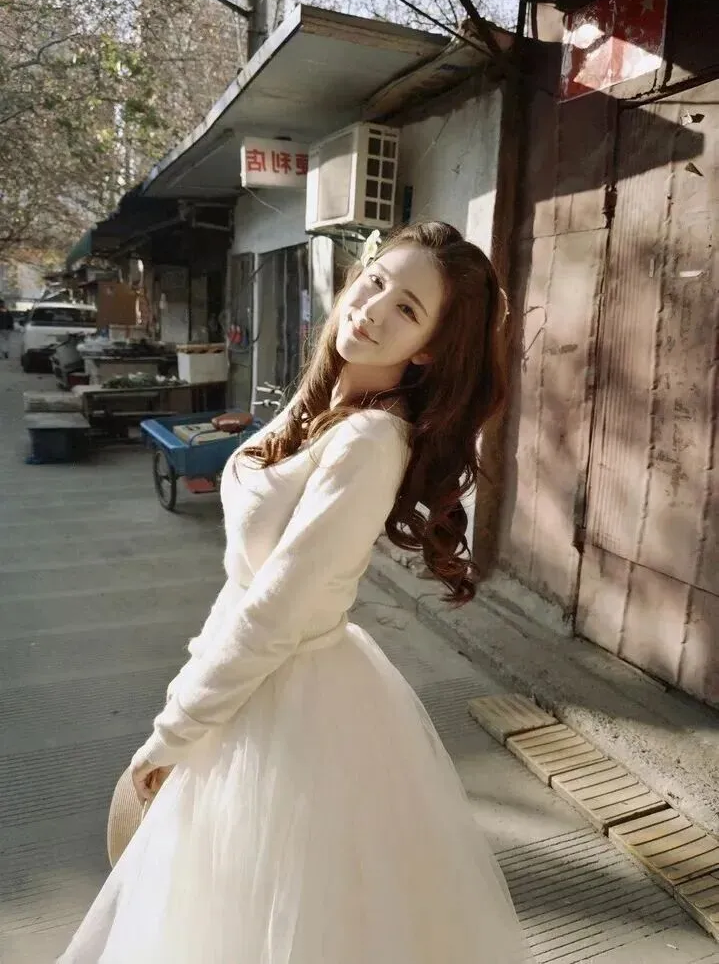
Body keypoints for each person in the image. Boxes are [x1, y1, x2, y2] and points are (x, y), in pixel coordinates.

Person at [59, 221, 529, 964]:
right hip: (248, 683)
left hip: (293, 703)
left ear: (430, 348)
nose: (371, 310)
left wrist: (173, 732)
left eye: (407, 309)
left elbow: (277, 609)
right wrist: (191, 688)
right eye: (375, 282)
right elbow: (248, 583)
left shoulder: (369, 441)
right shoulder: (323, 400)